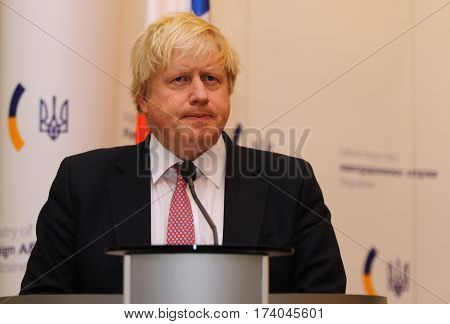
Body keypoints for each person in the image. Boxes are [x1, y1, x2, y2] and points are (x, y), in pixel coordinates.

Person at [20, 12, 346, 294]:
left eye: (211, 78)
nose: (201, 94)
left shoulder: (289, 185)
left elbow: (324, 303)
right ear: (143, 98)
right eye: (180, 79)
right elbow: (43, 302)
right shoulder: (82, 182)